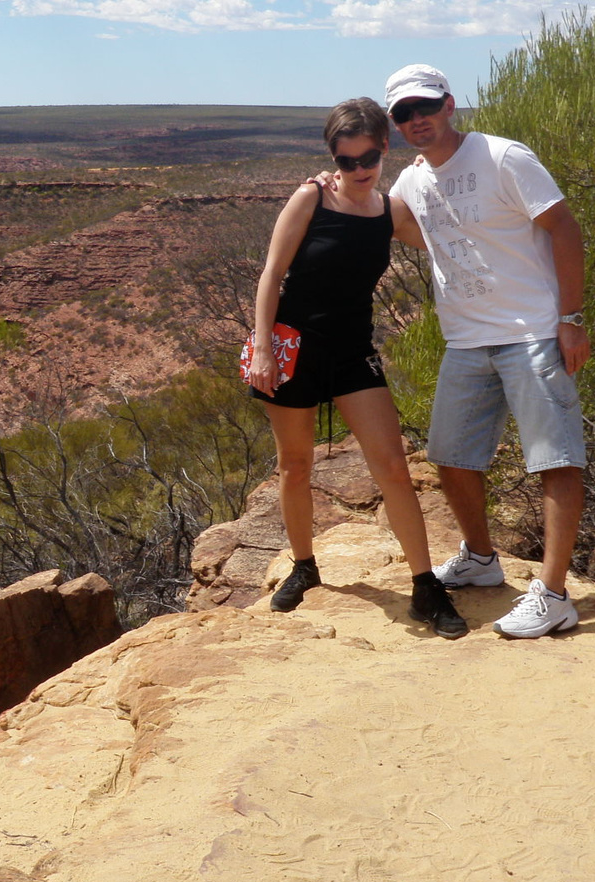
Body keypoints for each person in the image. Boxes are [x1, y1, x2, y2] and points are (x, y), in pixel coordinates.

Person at [247, 97, 467, 639]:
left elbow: (446, 241)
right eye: (346, 161)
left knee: (392, 466)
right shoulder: (310, 198)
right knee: (294, 467)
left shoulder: (390, 211)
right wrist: (261, 349)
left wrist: (425, 180)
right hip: (293, 347)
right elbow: (272, 273)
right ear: (332, 159)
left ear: (385, 148)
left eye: (368, 157)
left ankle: (424, 585)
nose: (359, 170)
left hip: (352, 352)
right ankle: (304, 565)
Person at [382, 64, 589, 639]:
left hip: (532, 332)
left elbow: (565, 230)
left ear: (450, 105)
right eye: (403, 114)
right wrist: (331, 187)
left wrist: (570, 319)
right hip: (466, 339)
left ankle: (552, 595)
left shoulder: (503, 157)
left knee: (555, 458)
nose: (416, 120)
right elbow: (389, 224)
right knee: (450, 456)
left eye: (424, 107)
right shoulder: (412, 181)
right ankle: (480, 558)